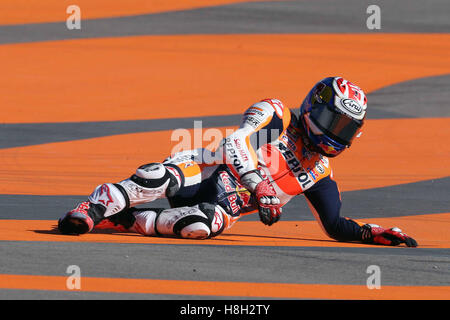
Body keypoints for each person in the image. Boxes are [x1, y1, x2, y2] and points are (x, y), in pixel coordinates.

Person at [57, 76, 418, 247]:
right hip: (204, 170)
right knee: (154, 178)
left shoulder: (319, 173)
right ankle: (92, 207)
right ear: (312, 106)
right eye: (331, 121)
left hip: (219, 206)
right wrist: (259, 183)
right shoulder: (277, 115)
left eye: (345, 128)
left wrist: (371, 233)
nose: (334, 133)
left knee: (200, 226)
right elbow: (235, 142)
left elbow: (335, 225)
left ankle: (126, 221)